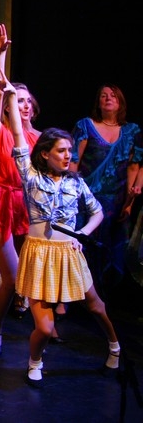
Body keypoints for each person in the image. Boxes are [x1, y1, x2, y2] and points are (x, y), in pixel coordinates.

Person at [0, 64, 120, 388]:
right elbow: (18, 135)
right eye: (61, 151)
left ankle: (115, 347)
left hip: (68, 252)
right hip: (38, 254)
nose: (67, 156)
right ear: (45, 154)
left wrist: (82, 235)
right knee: (45, 327)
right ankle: (35, 361)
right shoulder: (31, 177)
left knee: (95, 306)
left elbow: (96, 213)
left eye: (69, 151)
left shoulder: (75, 182)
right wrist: (11, 97)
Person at [0, 23, 43, 356]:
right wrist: (0, 54)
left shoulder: (39, 139)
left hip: (25, 206)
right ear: (7, 105)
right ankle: (1, 328)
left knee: (16, 278)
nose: (25, 105)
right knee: (13, 275)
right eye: (19, 100)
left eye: (29, 101)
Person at [70, 84, 142, 299]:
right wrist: (71, 195)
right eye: (103, 96)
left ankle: (101, 298)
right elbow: (73, 162)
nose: (108, 98)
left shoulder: (132, 131)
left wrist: (129, 203)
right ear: (98, 103)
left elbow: (134, 167)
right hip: (86, 199)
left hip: (115, 202)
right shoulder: (85, 125)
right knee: (83, 247)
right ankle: (75, 298)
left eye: (113, 96)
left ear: (121, 102)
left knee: (110, 251)